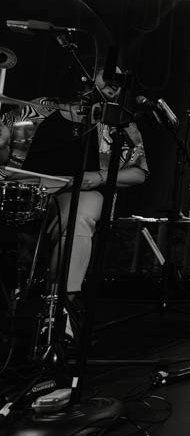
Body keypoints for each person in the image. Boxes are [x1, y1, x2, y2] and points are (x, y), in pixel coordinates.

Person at [0, 67, 149, 313]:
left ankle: (58, 307)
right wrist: (3, 144)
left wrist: (99, 177)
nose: (115, 85)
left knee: (80, 213)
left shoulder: (118, 121)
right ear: (85, 75)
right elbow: (4, 157)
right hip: (27, 191)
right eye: (108, 77)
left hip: (78, 193)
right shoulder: (36, 109)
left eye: (119, 81)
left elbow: (139, 172)